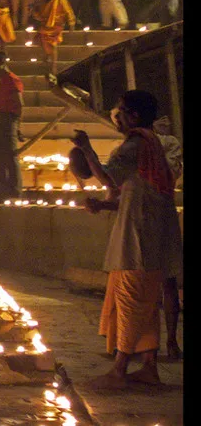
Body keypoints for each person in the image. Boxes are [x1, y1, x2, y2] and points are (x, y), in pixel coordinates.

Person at [71, 90, 181, 387]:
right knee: (144, 303)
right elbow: (138, 192)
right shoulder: (152, 143)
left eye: (120, 112)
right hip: (147, 232)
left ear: (133, 116)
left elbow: (109, 179)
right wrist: (105, 204)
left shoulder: (135, 144)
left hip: (138, 238)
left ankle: (120, 370)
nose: (116, 118)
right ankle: (149, 366)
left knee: (131, 299)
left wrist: (86, 150)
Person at [152, 114, 183, 358]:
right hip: (141, 216)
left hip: (161, 212)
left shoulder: (169, 143)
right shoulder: (135, 142)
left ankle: (171, 340)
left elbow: (172, 173)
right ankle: (144, 344)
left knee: (168, 280)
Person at [0, 51, 23, 201]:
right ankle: (2, 190)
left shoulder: (12, 80)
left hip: (9, 119)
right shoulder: (2, 81)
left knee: (10, 156)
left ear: (1, 63)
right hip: (2, 118)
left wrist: (18, 126)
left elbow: (19, 104)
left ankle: (14, 190)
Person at [32, 0, 76, 77]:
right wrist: (35, 14)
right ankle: (46, 60)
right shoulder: (42, 0)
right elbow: (42, 14)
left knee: (53, 45)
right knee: (43, 42)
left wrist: (71, 23)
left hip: (56, 26)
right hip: (45, 27)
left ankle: (54, 67)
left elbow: (68, 10)